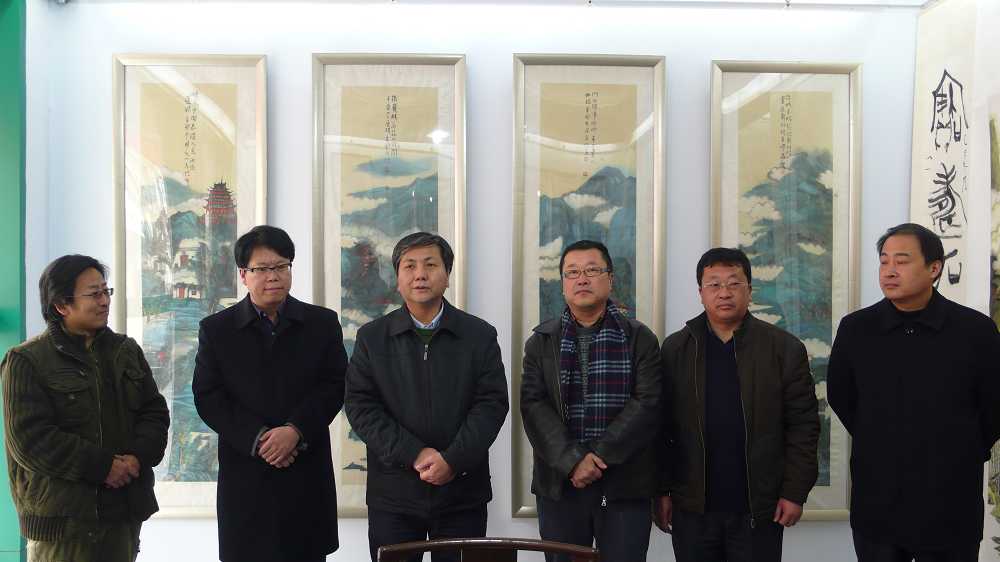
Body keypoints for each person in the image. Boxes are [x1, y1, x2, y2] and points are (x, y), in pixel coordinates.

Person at [828, 223, 1000, 562]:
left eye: (902, 261)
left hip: (950, 499)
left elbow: (994, 405)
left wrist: (961, 448)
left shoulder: (975, 331)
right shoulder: (857, 329)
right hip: (878, 498)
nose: (889, 270)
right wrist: (881, 439)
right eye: (884, 261)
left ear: (934, 268)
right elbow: (842, 397)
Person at [345, 232, 509, 562]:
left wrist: (452, 460)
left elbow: (491, 405)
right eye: (410, 266)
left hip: (462, 492)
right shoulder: (372, 338)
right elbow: (361, 407)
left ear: (447, 275)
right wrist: (415, 453)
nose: (420, 274)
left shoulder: (479, 335)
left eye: (430, 265)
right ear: (397, 278)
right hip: (394, 496)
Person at [193, 225, 348, 562]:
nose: (273, 276)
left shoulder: (322, 324)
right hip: (247, 475)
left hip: (305, 472)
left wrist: (295, 431)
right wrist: (261, 439)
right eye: (261, 269)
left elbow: (335, 385)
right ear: (243, 275)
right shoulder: (217, 330)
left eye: (281, 266)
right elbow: (208, 396)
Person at [1, 254, 169, 562]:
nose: (104, 301)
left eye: (106, 291)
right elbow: (30, 440)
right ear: (61, 305)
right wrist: (103, 467)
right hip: (63, 524)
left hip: (123, 514)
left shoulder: (126, 351)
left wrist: (136, 458)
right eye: (94, 294)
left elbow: (154, 414)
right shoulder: (26, 361)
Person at [658, 247, 819, 562]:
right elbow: (661, 429)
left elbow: (804, 426)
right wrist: (661, 491)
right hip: (692, 507)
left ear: (749, 290)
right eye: (714, 285)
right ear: (701, 293)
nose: (724, 293)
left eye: (734, 283)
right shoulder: (676, 349)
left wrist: (794, 492)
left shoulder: (784, 348)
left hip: (758, 507)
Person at [520, 239, 662, 562]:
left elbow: (647, 404)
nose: (581, 279)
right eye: (572, 272)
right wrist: (573, 460)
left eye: (592, 270)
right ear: (563, 284)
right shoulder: (541, 342)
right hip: (561, 482)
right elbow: (533, 406)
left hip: (625, 484)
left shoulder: (639, 338)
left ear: (610, 279)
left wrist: (596, 457)